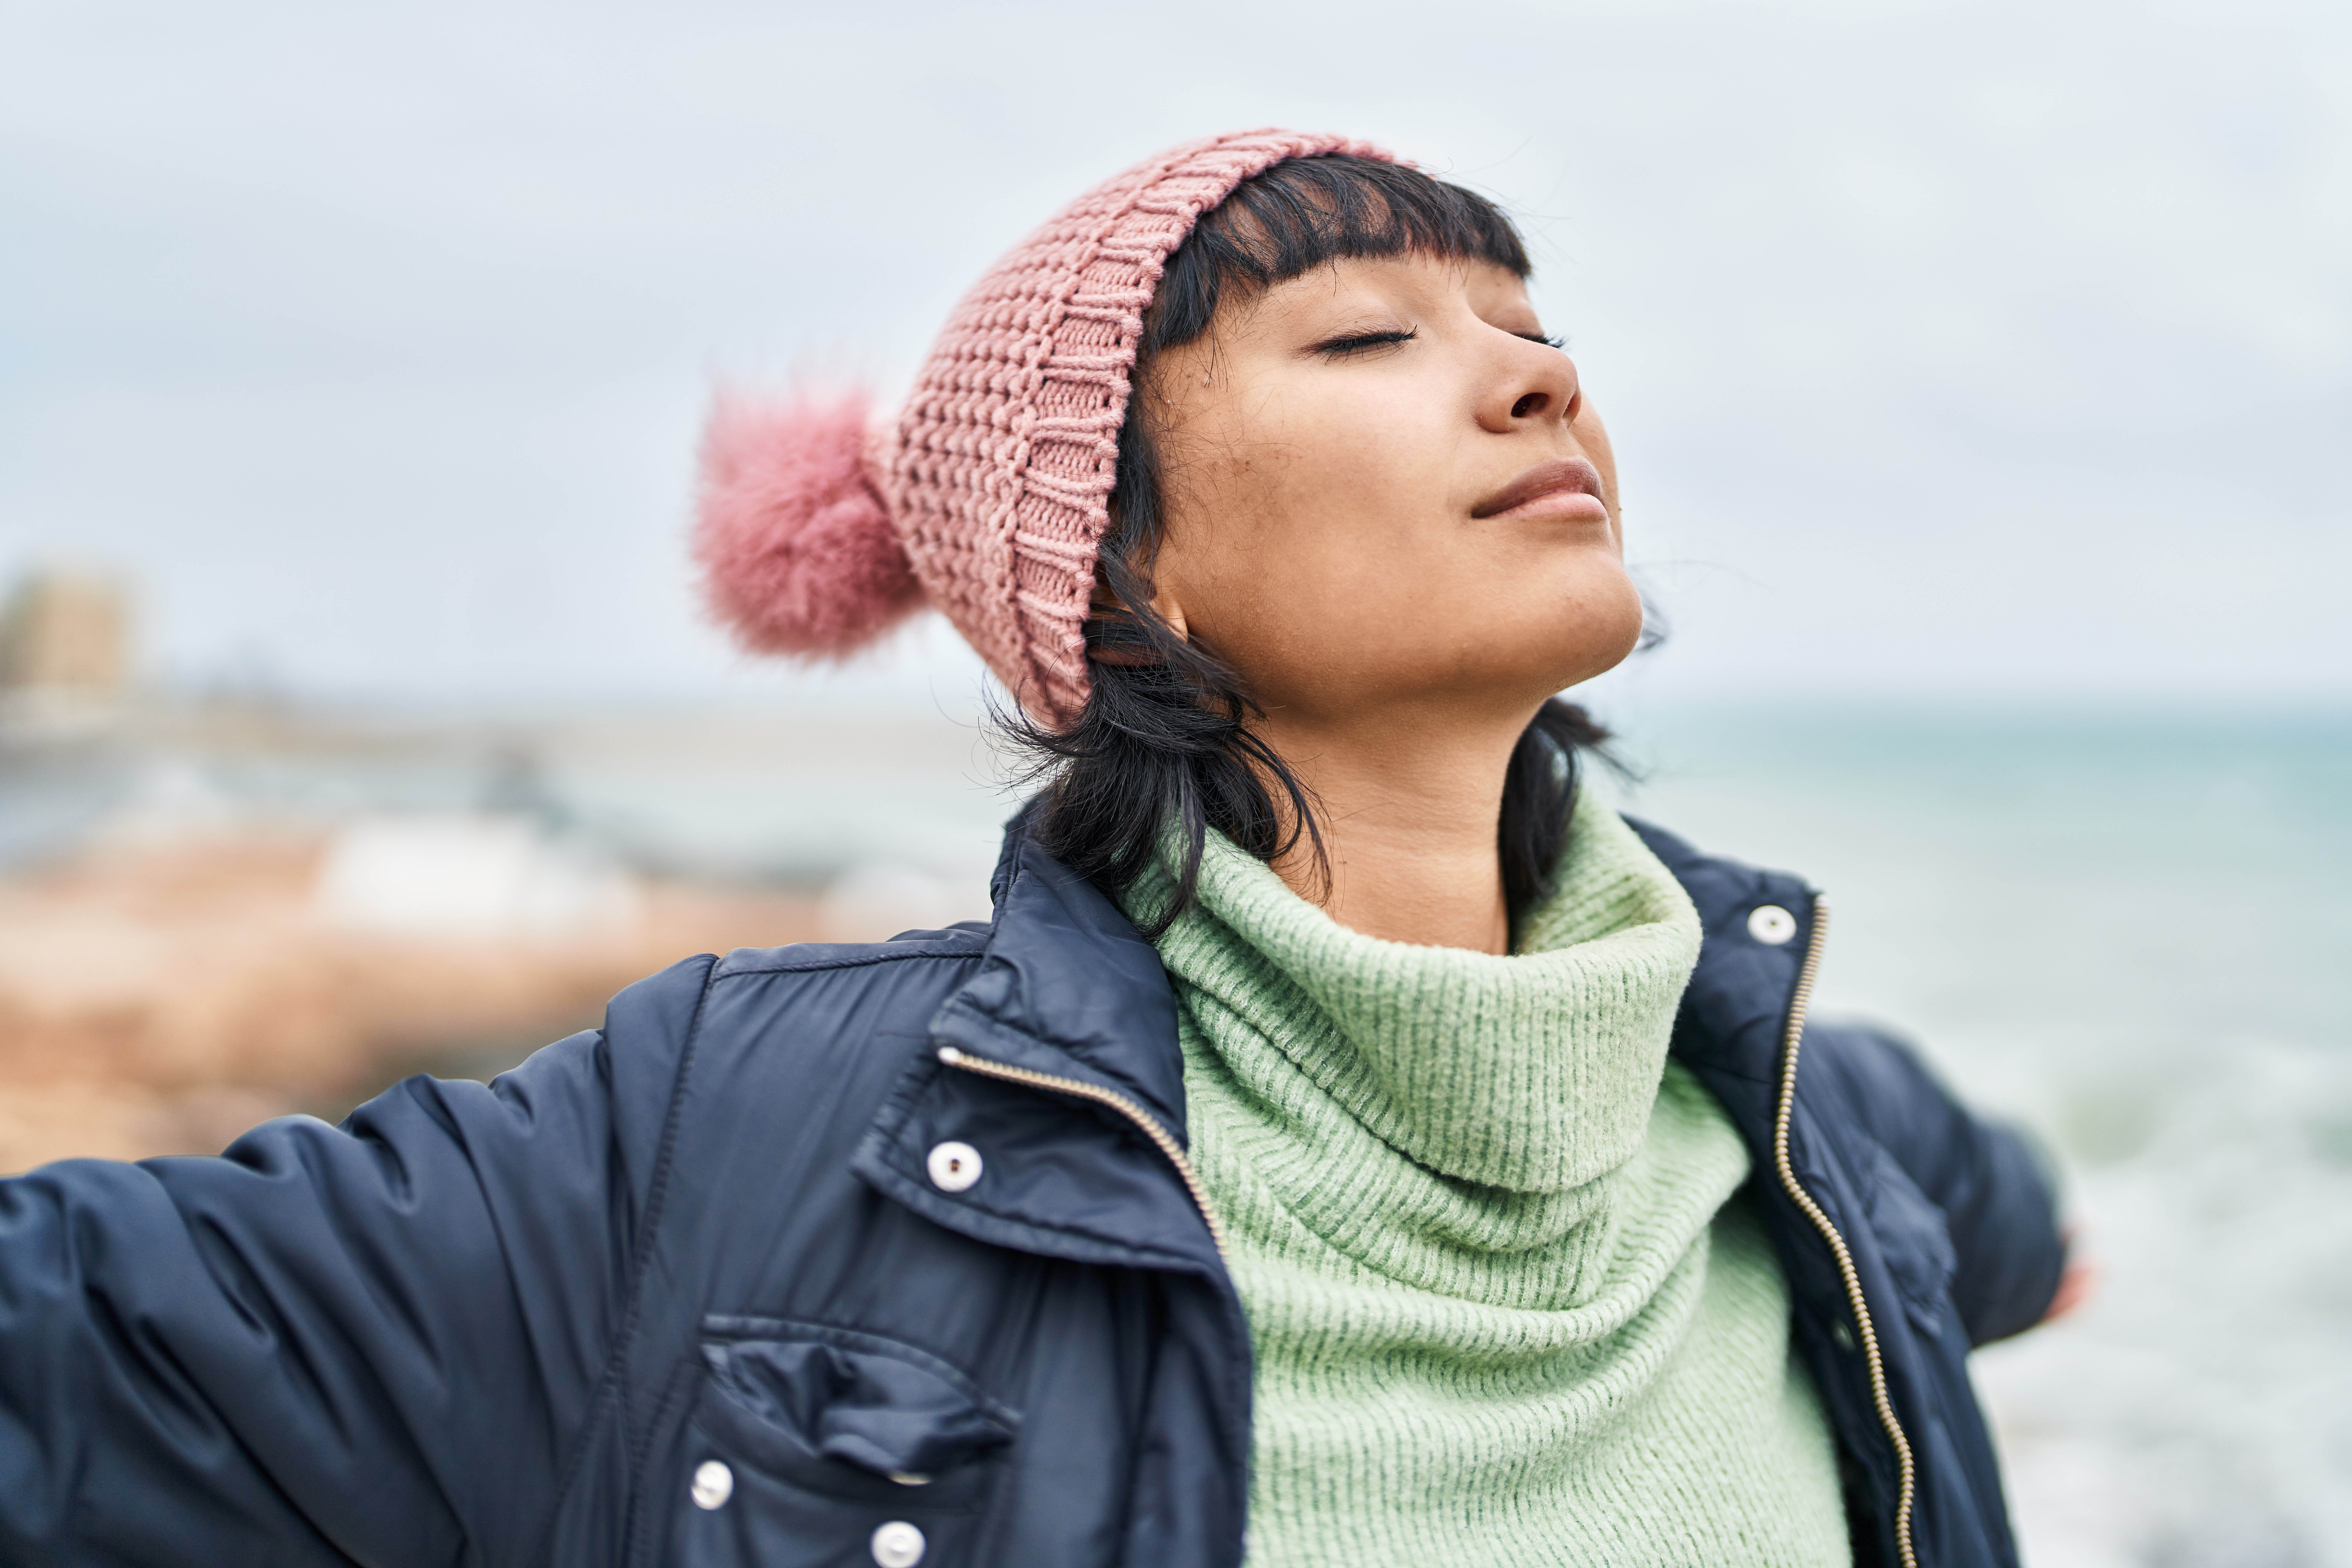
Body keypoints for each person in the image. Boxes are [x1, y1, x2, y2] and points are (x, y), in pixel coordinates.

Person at [0, 129, 2071, 1568]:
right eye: (1370, 338)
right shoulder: (720, 1143)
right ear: (1126, 571)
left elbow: (2030, 1240)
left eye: (1530, 326)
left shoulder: (1812, 1122)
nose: (1539, 378)